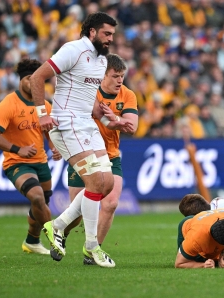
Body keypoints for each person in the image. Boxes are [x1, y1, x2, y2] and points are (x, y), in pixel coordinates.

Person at [29, 12, 132, 267]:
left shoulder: (101, 62)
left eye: (112, 35)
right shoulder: (73, 50)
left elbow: (87, 98)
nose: (110, 39)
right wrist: (42, 114)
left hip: (87, 124)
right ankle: (91, 247)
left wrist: (110, 118)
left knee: (106, 183)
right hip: (67, 124)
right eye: (106, 34)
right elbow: (37, 77)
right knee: (95, 182)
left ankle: (58, 225)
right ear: (92, 32)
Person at [65, 53, 138, 265]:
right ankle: (60, 232)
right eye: (115, 76)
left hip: (111, 156)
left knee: (111, 203)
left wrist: (114, 118)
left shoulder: (128, 95)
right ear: (103, 75)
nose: (119, 80)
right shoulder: (89, 93)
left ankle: (92, 250)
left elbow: (132, 127)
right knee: (76, 214)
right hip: (84, 154)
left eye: (122, 76)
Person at [0, 58, 62, 255]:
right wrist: (16, 149)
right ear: (22, 80)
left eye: (38, 80)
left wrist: (54, 146)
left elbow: (48, 130)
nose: (35, 83)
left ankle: (32, 241)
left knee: (42, 203)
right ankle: (56, 239)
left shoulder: (44, 105)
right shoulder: (9, 103)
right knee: (37, 198)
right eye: (31, 79)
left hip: (41, 162)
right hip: (17, 163)